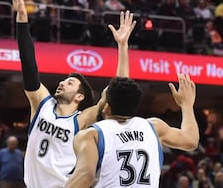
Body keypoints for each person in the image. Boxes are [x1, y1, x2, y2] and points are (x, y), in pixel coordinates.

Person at [9, 0, 136, 187]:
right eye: (63, 81)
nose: (61, 83)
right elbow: (28, 63)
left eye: (69, 83)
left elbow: (119, 91)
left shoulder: (82, 120)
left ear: (79, 97)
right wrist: (22, 18)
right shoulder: (42, 104)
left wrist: (122, 46)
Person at [64, 73, 199, 188]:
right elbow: (191, 141)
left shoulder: (92, 135)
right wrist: (186, 105)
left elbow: (85, 175)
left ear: (107, 107)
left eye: (102, 99)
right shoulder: (154, 127)